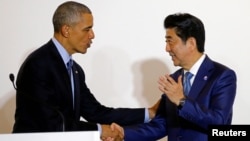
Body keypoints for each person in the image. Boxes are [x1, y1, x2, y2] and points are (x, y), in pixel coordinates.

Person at [12, 1, 159, 140]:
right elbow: (51, 123)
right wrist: (101, 130)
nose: (92, 35)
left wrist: (149, 113)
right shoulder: (39, 63)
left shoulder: (75, 70)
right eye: (87, 29)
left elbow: (96, 112)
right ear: (66, 30)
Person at [110, 13, 237, 141]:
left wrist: (182, 101)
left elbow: (219, 123)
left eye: (170, 41)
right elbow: (161, 124)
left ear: (191, 43)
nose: (167, 48)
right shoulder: (174, 79)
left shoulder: (222, 76)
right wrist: (124, 133)